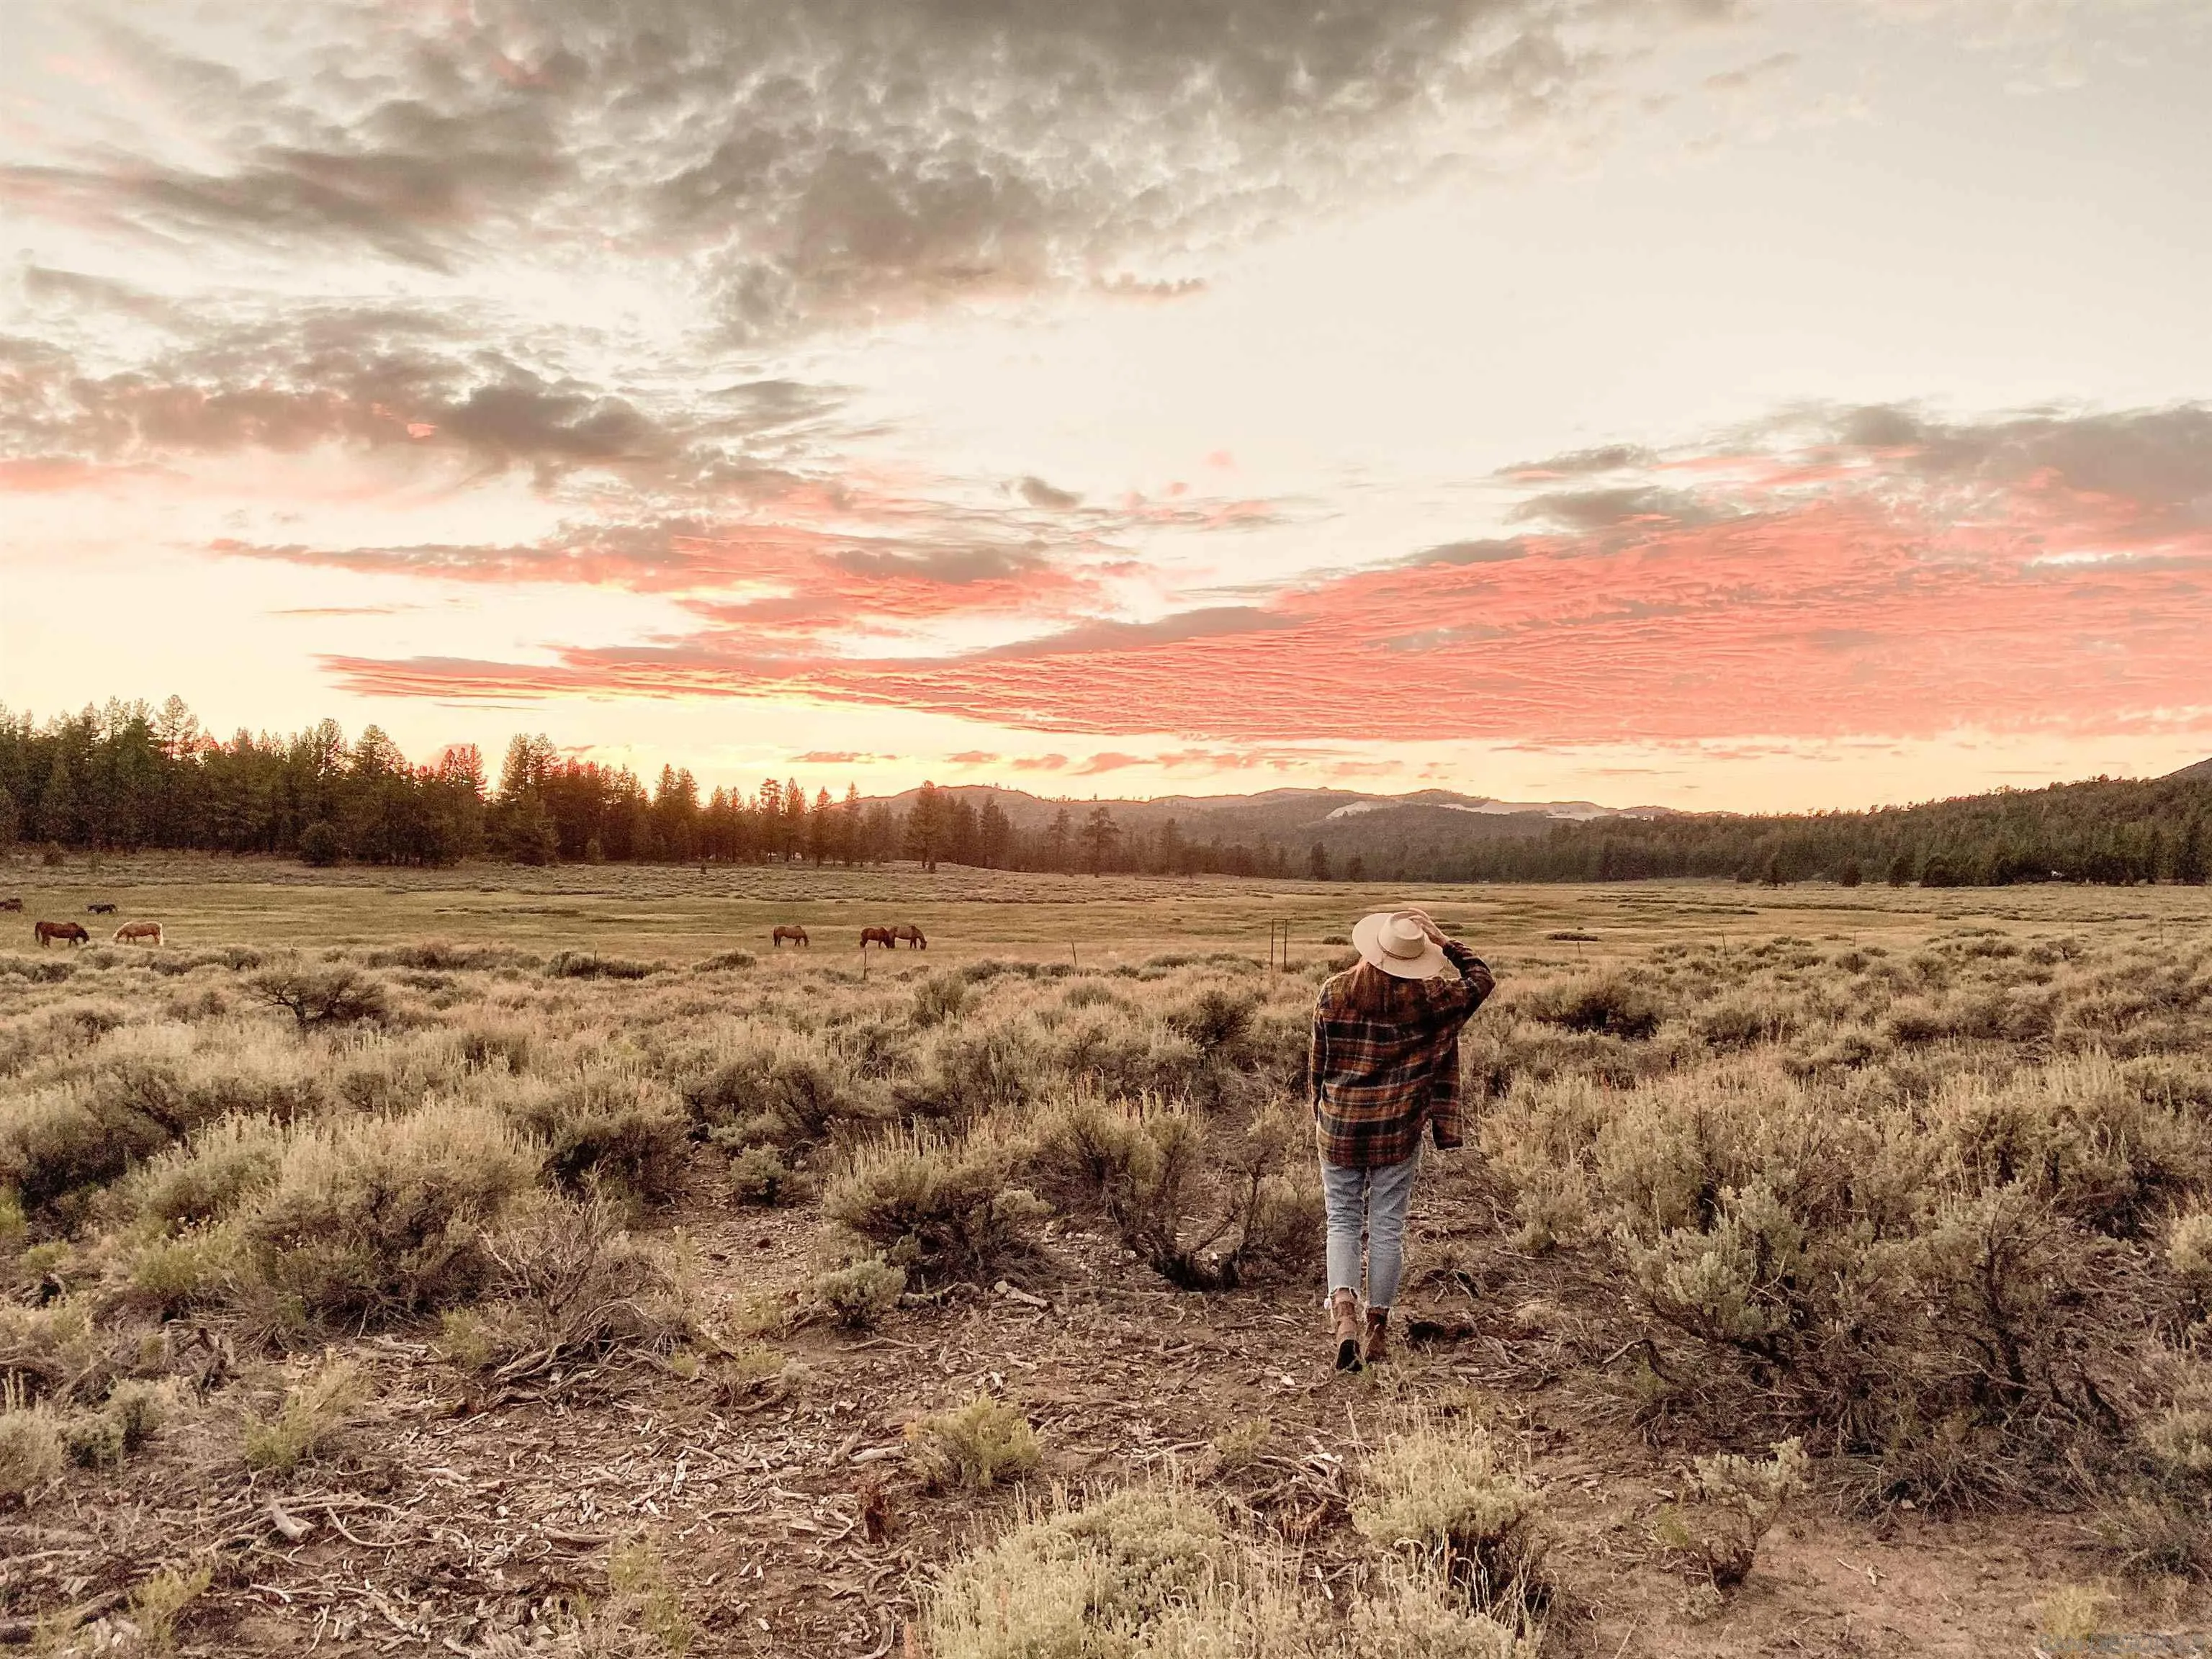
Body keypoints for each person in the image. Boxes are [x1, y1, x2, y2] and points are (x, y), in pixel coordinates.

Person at [1309, 907, 1495, 1369]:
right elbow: (1481, 978)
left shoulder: (1334, 993)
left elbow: (1318, 1068)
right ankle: (1377, 1327)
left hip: (1341, 1127)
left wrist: (1323, 1113)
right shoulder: (1432, 1000)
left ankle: (1344, 1320)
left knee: (1343, 1221)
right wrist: (1446, 941)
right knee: (1388, 1226)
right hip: (1398, 1129)